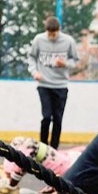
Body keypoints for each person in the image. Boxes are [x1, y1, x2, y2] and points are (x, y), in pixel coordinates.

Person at [28, 16, 80, 149]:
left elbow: (75, 60)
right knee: (46, 117)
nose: (51, 37)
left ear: (59, 30)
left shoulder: (68, 41)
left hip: (61, 85)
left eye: (54, 34)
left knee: (58, 119)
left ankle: (54, 149)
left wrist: (65, 63)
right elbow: (31, 57)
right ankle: (43, 147)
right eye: (49, 34)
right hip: (44, 84)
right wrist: (34, 72)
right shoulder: (39, 40)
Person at [0, 136, 84, 194]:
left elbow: (21, 167)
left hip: (66, 168)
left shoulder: (26, 150)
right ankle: (10, 184)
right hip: (66, 161)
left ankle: (11, 185)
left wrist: (12, 185)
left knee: (22, 159)